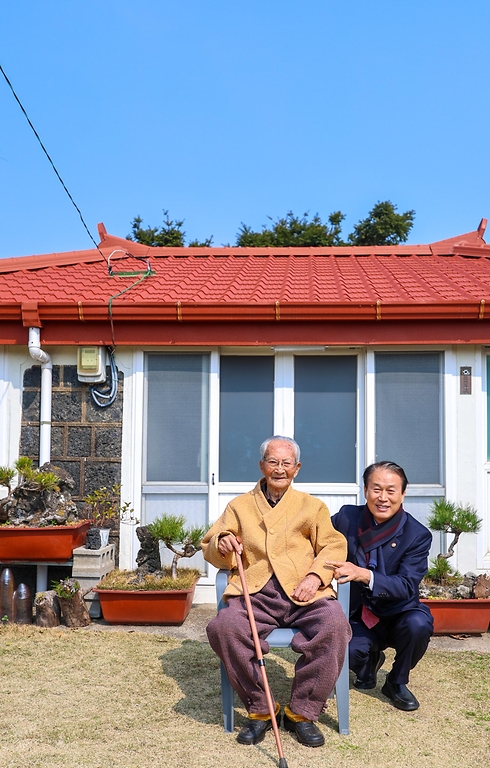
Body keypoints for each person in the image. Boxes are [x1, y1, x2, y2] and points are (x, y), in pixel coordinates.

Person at [203, 436, 351, 748]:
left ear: (297, 468)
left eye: (286, 463)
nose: (279, 469)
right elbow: (212, 541)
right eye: (273, 462)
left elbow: (333, 546)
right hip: (255, 591)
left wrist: (316, 575)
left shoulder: (312, 506)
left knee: (336, 625)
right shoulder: (239, 506)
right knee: (224, 627)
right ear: (262, 466)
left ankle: (302, 711)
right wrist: (223, 542)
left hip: (304, 591)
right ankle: (261, 708)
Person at [329, 461, 434, 711]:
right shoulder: (346, 517)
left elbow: (407, 586)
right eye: (376, 489)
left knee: (419, 625)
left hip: (399, 612)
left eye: (391, 490)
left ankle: (396, 682)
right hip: (359, 613)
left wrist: (363, 574)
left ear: (403, 493)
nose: (383, 498)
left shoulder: (417, 535)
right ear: (365, 490)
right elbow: (314, 536)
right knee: (348, 650)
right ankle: (369, 663)